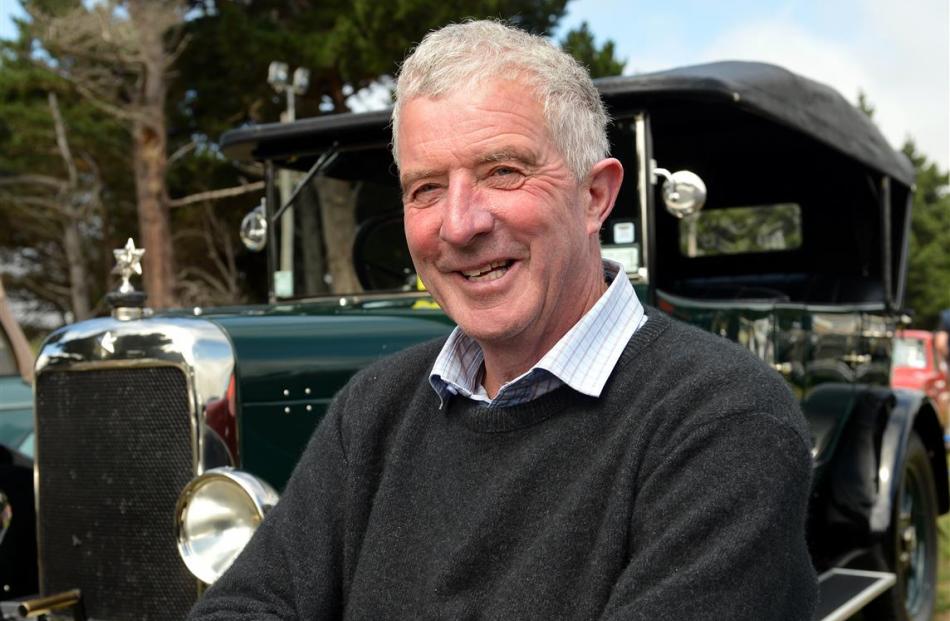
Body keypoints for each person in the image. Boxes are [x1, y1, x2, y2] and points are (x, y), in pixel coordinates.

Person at [189, 20, 816, 620]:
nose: (460, 224)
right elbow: (242, 606)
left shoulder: (724, 421)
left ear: (595, 196)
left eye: (503, 172)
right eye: (426, 189)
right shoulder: (373, 409)